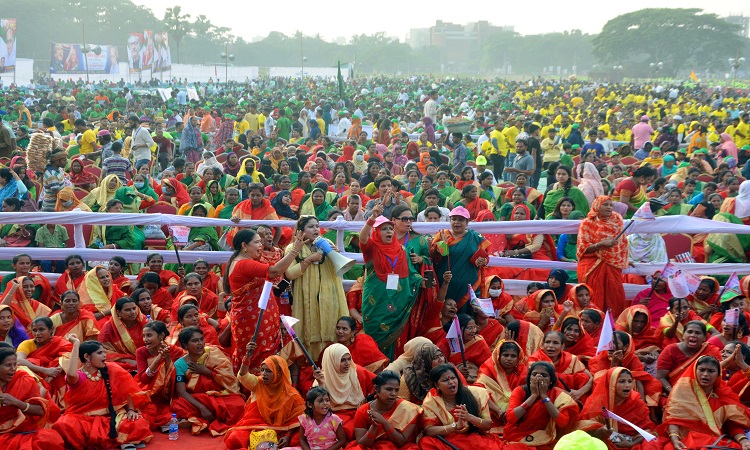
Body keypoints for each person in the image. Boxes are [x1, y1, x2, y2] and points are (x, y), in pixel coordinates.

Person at [225, 228, 304, 370]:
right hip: (254, 320)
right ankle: (258, 387)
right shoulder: (244, 263)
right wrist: (294, 251)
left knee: (258, 354)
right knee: (258, 355)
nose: (261, 245)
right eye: (256, 242)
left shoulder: (241, 261)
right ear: (244, 246)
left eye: (261, 242)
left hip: (254, 317)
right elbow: (274, 271)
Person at [54, 337, 152, 450]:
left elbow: (125, 392)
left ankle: (121, 438)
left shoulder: (111, 369)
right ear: (87, 357)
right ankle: (120, 439)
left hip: (110, 416)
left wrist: (130, 409)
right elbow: (70, 374)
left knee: (137, 421)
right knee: (63, 425)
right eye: (100, 353)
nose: (104, 356)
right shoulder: (77, 376)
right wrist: (76, 344)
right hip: (82, 418)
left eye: (104, 352)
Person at [359, 208, 423, 358]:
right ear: (376, 232)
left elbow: (410, 274)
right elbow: (362, 237)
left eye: (390, 229)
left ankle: (391, 367)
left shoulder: (402, 250)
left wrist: (420, 280)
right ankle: (374, 366)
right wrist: (372, 218)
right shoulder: (372, 247)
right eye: (384, 229)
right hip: (376, 301)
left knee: (395, 338)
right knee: (374, 334)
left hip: (397, 300)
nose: (389, 231)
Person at [285, 216, 349, 359]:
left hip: (329, 295)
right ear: (301, 231)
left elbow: (338, 266)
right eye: (311, 227)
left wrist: (335, 254)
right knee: (307, 330)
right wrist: (308, 260)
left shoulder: (326, 243)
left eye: (317, 226)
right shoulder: (293, 248)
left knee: (330, 328)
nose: (316, 229)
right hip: (305, 297)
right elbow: (289, 274)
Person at [658, 356, 750, 450]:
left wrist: (743, 441)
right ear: (695, 371)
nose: (705, 374)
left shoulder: (723, 395)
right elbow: (673, 420)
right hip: (685, 440)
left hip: (715, 441)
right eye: (702, 370)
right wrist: (675, 440)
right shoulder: (682, 393)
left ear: (719, 374)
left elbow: (732, 424)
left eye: (711, 371)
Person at [171, 327, 245, 436]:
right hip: (199, 398)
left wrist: (207, 372)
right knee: (178, 404)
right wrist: (202, 408)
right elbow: (181, 392)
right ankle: (207, 415)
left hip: (219, 394)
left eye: (201, 339)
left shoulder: (213, 353)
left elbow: (229, 379)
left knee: (239, 404)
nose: (200, 343)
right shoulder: (180, 364)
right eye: (195, 341)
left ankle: (201, 418)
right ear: (185, 345)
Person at [225, 354, 305, 449]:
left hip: (281, 430)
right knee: (235, 437)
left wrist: (288, 436)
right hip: (255, 427)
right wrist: (246, 360)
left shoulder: (291, 394)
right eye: (262, 370)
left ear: (278, 373)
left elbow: (298, 419)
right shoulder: (258, 383)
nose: (263, 374)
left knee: (300, 437)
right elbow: (243, 376)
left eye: (268, 371)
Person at [419, 363, 503, 450]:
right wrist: (455, 426)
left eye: (453, 378)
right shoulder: (432, 401)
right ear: (437, 385)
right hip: (448, 441)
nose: (451, 382)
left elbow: (488, 425)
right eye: (445, 380)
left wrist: (469, 417)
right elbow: (429, 431)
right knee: (425, 442)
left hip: (473, 438)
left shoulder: (475, 393)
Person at [503, 361, 580, 449]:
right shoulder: (520, 391)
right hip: (517, 435)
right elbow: (511, 417)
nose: (538, 377)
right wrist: (533, 396)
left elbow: (563, 422)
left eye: (544, 375)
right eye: (534, 374)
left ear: (551, 381)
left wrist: (544, 396)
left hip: (545, 435)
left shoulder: (558, 395)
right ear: (529, 378)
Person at [0, 346, 65, 450]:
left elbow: (40, 411)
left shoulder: (24, 380)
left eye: (15, 364)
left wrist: (16, 402)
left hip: (23, 429)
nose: (13, 369)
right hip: (2, 434)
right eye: (8, 365)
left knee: (49, 440)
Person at [577, 367, 658, 450]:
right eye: (622, 381)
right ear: (611, 383)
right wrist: (602, 432)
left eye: (630, 381)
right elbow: (585, 431)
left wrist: (631, 443)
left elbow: (647, 430)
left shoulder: (637, 403)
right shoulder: (597, 402)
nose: (627, 385)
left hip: (632, 443)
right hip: (604, 442)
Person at [430, 206, 490, 313]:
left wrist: (483, 261)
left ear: (467, 222)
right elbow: (434, 257)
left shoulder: (475, 237)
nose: (457, 222)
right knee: (444, 314)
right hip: (445, 284)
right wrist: (442, 245)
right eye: (454, 219)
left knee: (466, 318)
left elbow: (486, 256)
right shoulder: (442, 235)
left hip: (468, 285)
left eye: (461, 220)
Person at [577, 196, 629, 316]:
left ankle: (612, 324)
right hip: (591, 262)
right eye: (605, 204)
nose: (609, 207)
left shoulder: (617, 221)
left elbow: (621, 245)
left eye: (611, 205)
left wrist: (622, 258)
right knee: (594, 294)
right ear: (597, 206)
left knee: (615, 295)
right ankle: (592, 320)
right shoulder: (587, 223)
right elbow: (582, 248)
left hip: (613, 263)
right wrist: (601, 244)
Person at [312, 343, 375, 440]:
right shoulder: (321, 379)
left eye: (349, 359)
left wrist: (368, 400)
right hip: (333, 415)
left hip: (359, 412)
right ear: (332, 361)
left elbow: (378, 385)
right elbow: (318, 406)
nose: (347, 363)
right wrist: (321, 384)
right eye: (342, 360)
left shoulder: (357, 371)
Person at [348, 370, 421, 449]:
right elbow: (362, 444)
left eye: (396, 390)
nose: (393, 394)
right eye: (389, 389)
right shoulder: (363, 411)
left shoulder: (408, 409)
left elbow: (401, 442)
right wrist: (374, 427)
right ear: (376, 388)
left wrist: (384, 423)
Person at [135, 320, 184, 429]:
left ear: (161, 335)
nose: (145, 339)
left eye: (149, 335)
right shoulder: (141, 352)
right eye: (144, 336)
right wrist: (158, 360)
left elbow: (176, 376)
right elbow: (143, 379)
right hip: (148, 391)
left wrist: (167, 359)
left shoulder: (174, 351)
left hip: (170, 392)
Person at [656, 321, 722, 397]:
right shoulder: (670, 350)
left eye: (697, 333)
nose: (693, 335)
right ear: (683, 335)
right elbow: (661, 377)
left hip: (705, 393)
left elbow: (718, 376)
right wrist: (672, 391)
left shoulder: (711, 351)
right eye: (689, 332)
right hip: (674, 392)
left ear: (704, 337)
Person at [476, 340, 528, 434]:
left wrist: (512, 412)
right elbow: (479, 392)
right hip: (493, 413)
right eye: (505, 355)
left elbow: (526, 395)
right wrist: (499, 411)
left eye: (513, 356)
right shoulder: (487, 370)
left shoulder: (523, 371)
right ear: (498, 356)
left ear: (518, 358)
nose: (509, 359)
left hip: (518, 413)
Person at [528, 331, 593, 402]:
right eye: (548, 342)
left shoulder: (571, 359)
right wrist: (568, 395)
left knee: (583, 377)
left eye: (555, 343)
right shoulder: (535, 360)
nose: (551, 346)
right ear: (542, 344)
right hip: (543, 397)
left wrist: (580, 392)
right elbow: (538, 385)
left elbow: (590, 377)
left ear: (562, 346)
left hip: (574, 396)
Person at [97, 297, 148, 372]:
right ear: (118, 312)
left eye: (134, 308)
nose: (133, 312)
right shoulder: (109, 327)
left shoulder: (143, 322)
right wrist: (127, 360)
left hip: (146, 358)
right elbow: (103, 351)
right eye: (127, 310)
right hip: (123, 362)